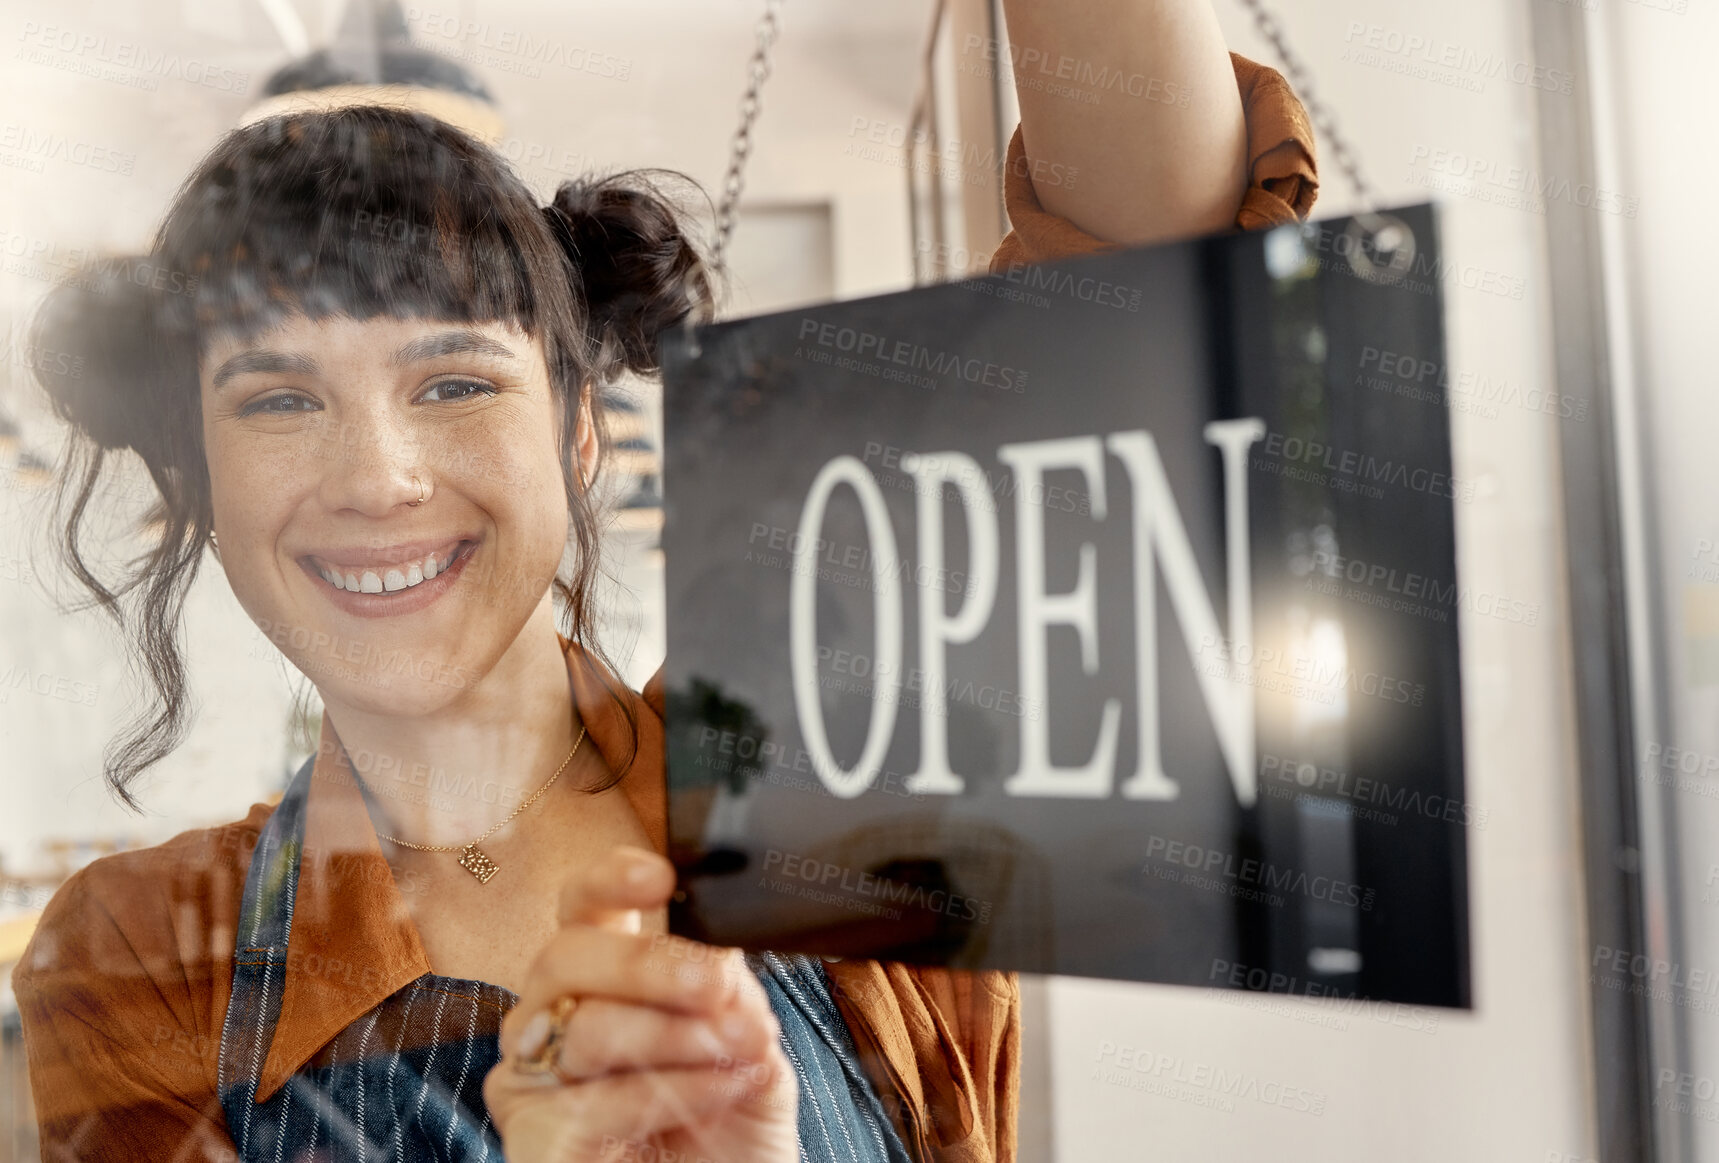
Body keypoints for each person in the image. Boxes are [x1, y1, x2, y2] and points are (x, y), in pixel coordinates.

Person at [11, 3, 1317, 1160]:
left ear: (580, 436)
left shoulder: (834, 768)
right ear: (197, 477)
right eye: (278, 398)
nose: (379, 477)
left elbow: (1156, 272)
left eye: (455, 382)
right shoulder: (136, 952)